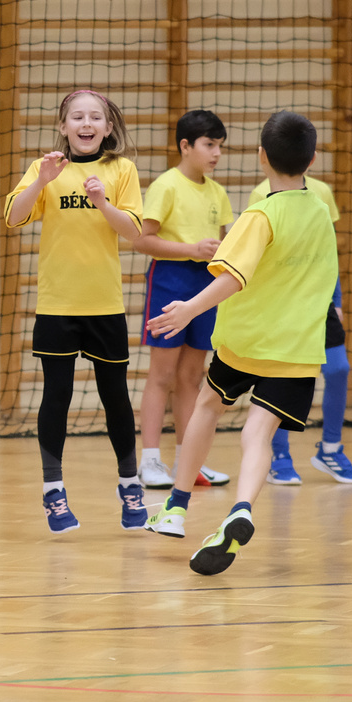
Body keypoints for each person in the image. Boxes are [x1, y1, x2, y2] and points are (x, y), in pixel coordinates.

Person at [144, 112, 338, 576]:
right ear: (311, 159)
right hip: (297, 350)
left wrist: (188, 309)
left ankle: (175, 507)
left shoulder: (260, 215)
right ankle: (242, 507)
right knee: (258, 434)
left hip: (246, 342)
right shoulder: (319, 211)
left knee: (208, 406)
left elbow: (232, 276)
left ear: (261, 156)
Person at [4, 89, 145, 534]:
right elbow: (13, 217)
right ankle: (53, 491)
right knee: (56, 396)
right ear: (63, 127)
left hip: (104, 305)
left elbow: (134, 231)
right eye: (77, 117)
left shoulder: (121, 170)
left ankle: (130, 484)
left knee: (115, 396)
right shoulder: (45, 168)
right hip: (57, 305)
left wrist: (103, 202)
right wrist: (41, 181)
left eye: (95, 117)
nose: (86, 124)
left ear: (108, 127)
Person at [134, 109, 234, 491]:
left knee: (193, 376)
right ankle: (150, 461)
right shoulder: (167, 186)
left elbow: (222, 241)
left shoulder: (217, 192)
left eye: (219, 146)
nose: (216, 153)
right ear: (185, 146)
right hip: (170, 280)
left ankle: (189, 461)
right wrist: (192, 249)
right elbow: (143, 240)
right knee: (161, 375)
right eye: (209, 145)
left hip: (205, 285)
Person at [240, 174, 352, 485]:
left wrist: (336, 299)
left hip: (318, 300)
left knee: (338, 369)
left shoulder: (321, 192)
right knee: (279, 376)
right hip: (280, 302)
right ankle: (279, 455)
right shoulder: (261, 194)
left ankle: (330, 450)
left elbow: (327, 249)